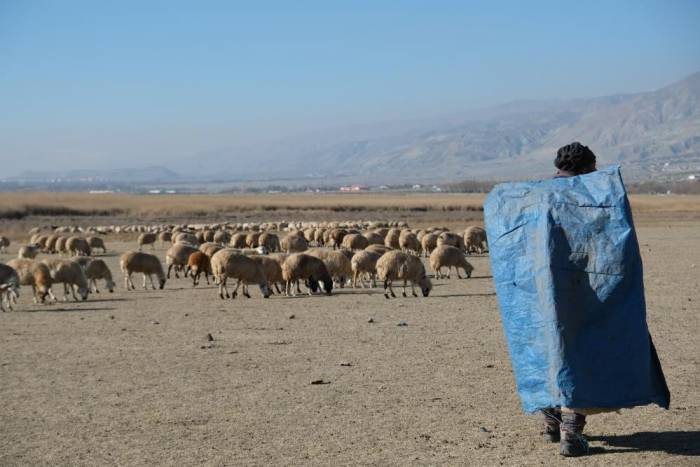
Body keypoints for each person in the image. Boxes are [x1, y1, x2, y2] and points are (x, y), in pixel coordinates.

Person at [483, 142, 670, 459]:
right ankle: (571, 430)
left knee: (542, 346)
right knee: (583, 349)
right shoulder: (591, 195)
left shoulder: (530, 197)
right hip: (583, 287)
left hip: (533, 289)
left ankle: (551, 422)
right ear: (586, 169)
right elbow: (608, 244)